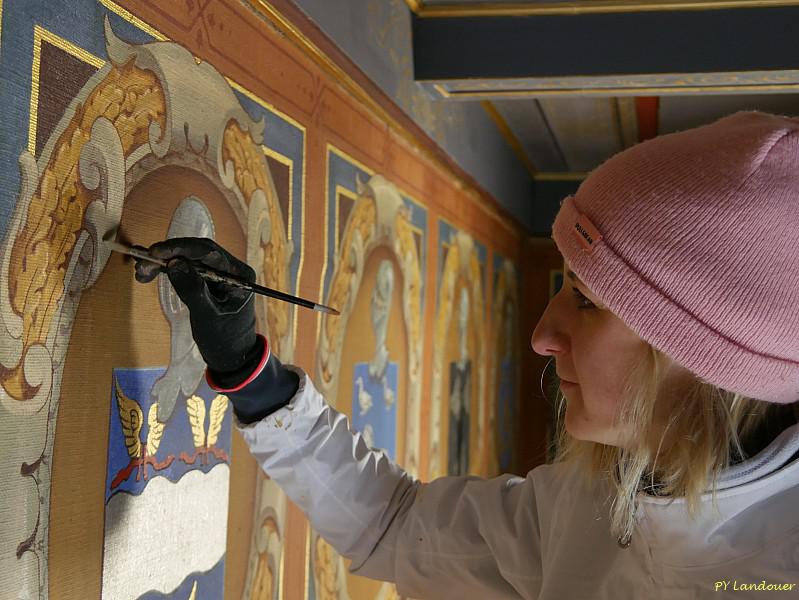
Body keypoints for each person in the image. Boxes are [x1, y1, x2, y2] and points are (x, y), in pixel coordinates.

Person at [135, 111, 799, 599]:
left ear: (697, 353)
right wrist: (250, 373)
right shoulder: (586, 505)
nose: (542, 335)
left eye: (585, 301)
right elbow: (398, 528)